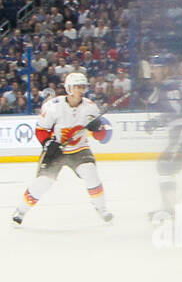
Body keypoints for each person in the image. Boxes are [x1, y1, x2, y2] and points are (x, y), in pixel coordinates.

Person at [12, 71, 113, 225]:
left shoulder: (90, 107)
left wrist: (98, 128)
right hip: (57, 151)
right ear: (69, 88)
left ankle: (101, 207)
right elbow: (40, 130)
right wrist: (48, 144)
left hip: (79, 149)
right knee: (43, 182)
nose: (81, 90)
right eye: (77, 86)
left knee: (90, 172)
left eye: (83, 87)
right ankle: (21, 210)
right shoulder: (54, 107)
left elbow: (102, 137)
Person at [144, 53, 182, 218]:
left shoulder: (175, 85)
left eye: (156, 67)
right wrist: (157, 121)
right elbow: (175, 111)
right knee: (166, 167)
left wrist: (158, 120)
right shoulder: (169, 85)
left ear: (166, 68)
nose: (153, 71)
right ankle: (169, 206)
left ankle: (169, 209)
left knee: (165, 166)